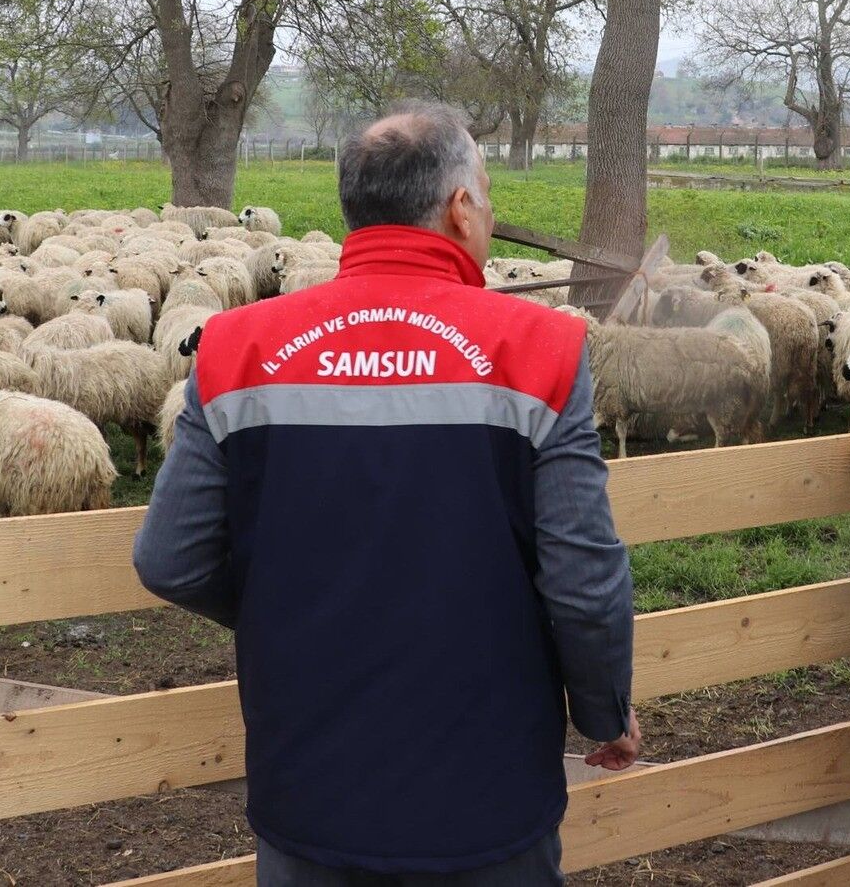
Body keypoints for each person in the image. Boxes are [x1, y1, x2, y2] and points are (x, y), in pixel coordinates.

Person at [133, 102, 638, 887]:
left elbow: (168, 558)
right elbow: (584, 583)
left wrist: (289, 604)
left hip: (309, 788)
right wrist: (604, 714)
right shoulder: (540, 348)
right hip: (487, 795)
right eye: (490, 193)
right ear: (461, 207)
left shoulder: (236, 348)